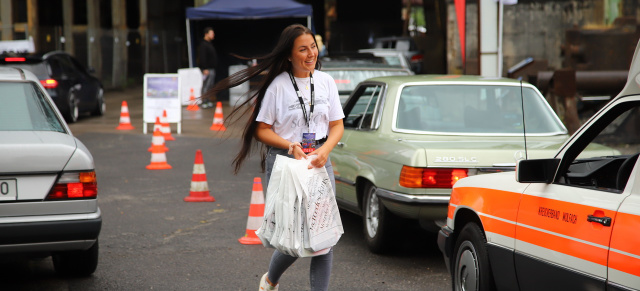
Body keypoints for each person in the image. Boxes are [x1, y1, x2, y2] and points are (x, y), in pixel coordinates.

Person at [203, 24, 344, 291]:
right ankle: (270, 280)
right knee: (291, 236)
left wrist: (324, 151)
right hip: (286, 162)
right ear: (289, 55)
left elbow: (337, 125)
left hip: (318, 162)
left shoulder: (326, 82)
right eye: (303, 49)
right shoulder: (278, 86)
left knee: (323, 238)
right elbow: (261, 130)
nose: (310, 53)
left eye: (313, 46)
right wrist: (290, 145)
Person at [197, 27, 218, 108]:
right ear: (206, 34)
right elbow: (202, 57)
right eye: (211, 33)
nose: (213, 35)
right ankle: (204, 101)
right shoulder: (203, 44)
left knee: (210, 85)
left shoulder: (209, 44)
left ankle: (208, 100)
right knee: (206, 85)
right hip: (207, 69)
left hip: (211, 68)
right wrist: (204, 68)